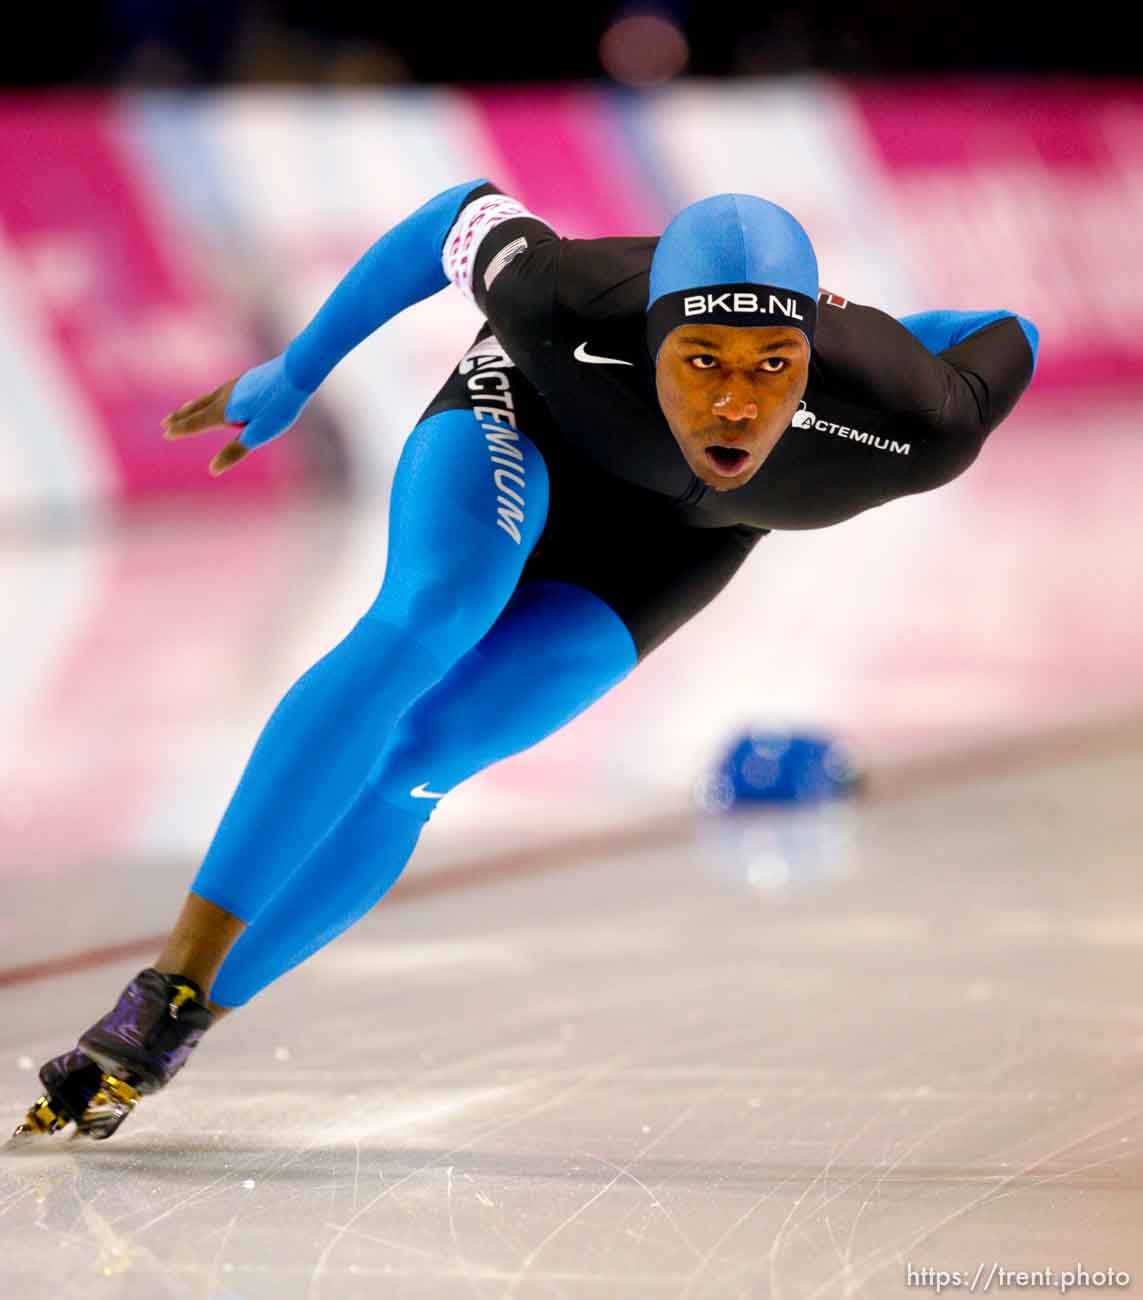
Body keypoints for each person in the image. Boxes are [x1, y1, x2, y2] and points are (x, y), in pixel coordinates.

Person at [15, 180, 1038, 1139]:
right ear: (649, 337)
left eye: (774, 363)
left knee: (427, 754)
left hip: (676, 542)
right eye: (702, 360)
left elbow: (1006, 337)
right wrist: (297, 370)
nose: (736, 402)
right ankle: (172, 980)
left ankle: (170, 1035)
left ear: (815, 355)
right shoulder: (569, 297)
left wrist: (887, 343)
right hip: (521, 425)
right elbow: (451, 216)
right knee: (433, 613)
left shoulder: (917, 418)